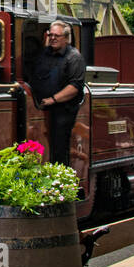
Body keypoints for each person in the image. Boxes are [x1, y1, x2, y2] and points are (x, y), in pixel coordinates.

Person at [28, 21, 86, 167]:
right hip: (41, 107)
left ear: (66, 38)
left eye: (57, 36)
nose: (53, 38)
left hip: (63, 110)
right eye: (51, 35)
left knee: (59, 146)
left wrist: (53, 99)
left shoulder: (74, 58)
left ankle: (61, 178)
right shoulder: (42, 55)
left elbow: (74, 87)